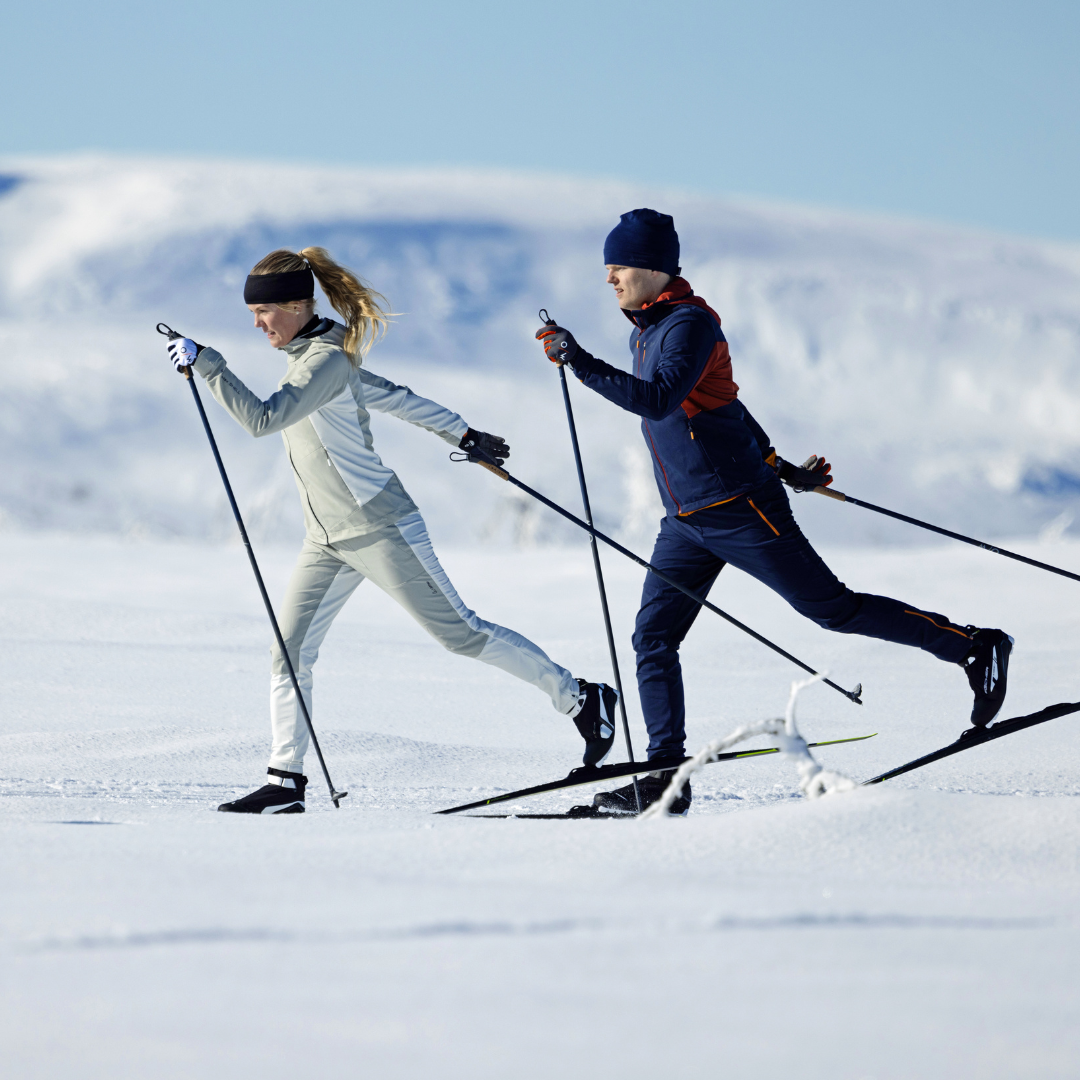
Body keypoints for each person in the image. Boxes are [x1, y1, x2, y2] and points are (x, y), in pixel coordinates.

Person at [535, 208, 1013, 816]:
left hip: (740, 508)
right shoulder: (645, 330)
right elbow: (723, 404)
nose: (610, 279)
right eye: (608, 268)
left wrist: (578, 360)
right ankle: (664, 779)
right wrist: (784, 464)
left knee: (832, 611)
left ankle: (973, 647)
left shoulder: (687, 326)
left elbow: (658, 402)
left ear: (655, 267)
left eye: (620, 267)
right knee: (653, 637)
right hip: (685, 520)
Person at [168, 246, 618, 814]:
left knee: (461, 634)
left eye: (264, 313)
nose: (257, 325)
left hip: (382, 526)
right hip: (326, 538)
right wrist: (463, 434)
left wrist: (209, 364)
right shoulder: (321, 360)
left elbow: (263, 420)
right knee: (290, 652)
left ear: (297, 305)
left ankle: (581, 698)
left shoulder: (324, 363)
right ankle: (285, 781)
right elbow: (397, 399)